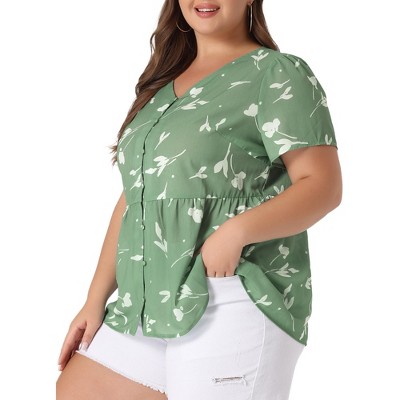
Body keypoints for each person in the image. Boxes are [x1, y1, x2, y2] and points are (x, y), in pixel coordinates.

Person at [56, 0, 342, 399]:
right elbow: (137, 198)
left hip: (233, 293)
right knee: (80, 389)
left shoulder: (277, 72)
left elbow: (323, 186)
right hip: (146, 300)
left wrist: (236, 232)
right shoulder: (162, 86)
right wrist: (95, 299)